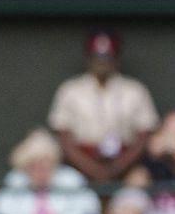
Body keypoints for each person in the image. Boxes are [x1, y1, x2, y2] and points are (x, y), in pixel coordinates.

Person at [47, 29, 159, 188]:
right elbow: (63, 138)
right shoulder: (70, 90)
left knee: (139, 183)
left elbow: (144, 136)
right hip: (79, 166)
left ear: (116, 58)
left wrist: (116, 168)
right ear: (89, 57)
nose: (102, 63)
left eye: (107, 58)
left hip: (125, 165)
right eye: (97, 58)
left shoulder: (135, 90)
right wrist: (93, 169)